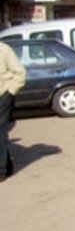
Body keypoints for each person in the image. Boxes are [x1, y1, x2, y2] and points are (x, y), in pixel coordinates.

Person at [0, 39, 26, 180]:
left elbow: (20, 72)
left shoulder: (4, 50)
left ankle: (1, 170)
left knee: (0, 132)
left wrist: (10, 91)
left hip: (2, 96)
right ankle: (7, 165)